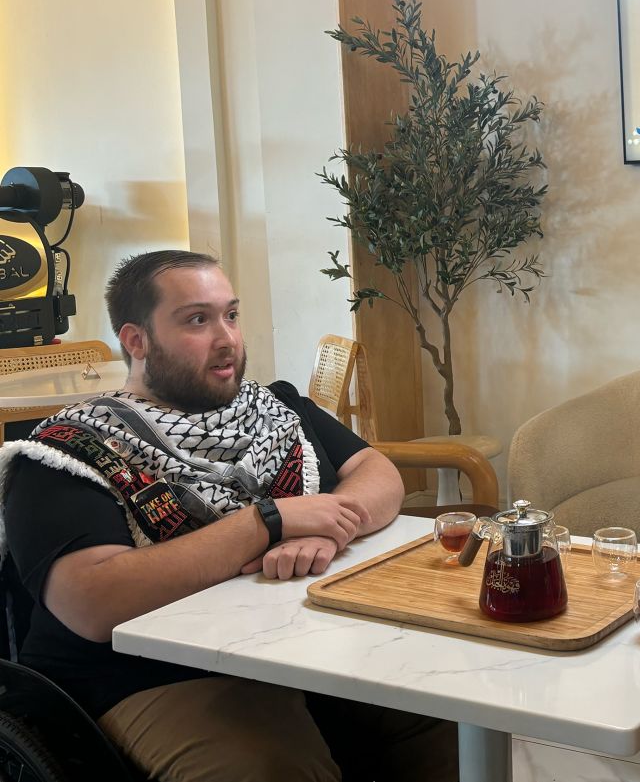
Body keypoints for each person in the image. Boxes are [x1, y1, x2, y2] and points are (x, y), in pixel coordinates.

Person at [0, 250, 458, 781]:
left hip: (299, 642)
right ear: (136, 340)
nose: (227, 338)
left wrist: (331, 527)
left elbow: (379, 473)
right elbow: (92, 602)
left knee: (447, 722)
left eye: (231, 315)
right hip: (142, 675)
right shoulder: (69, 452)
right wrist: (266, 522)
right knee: (270, 770)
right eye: (198, 320)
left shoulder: (275, 410)